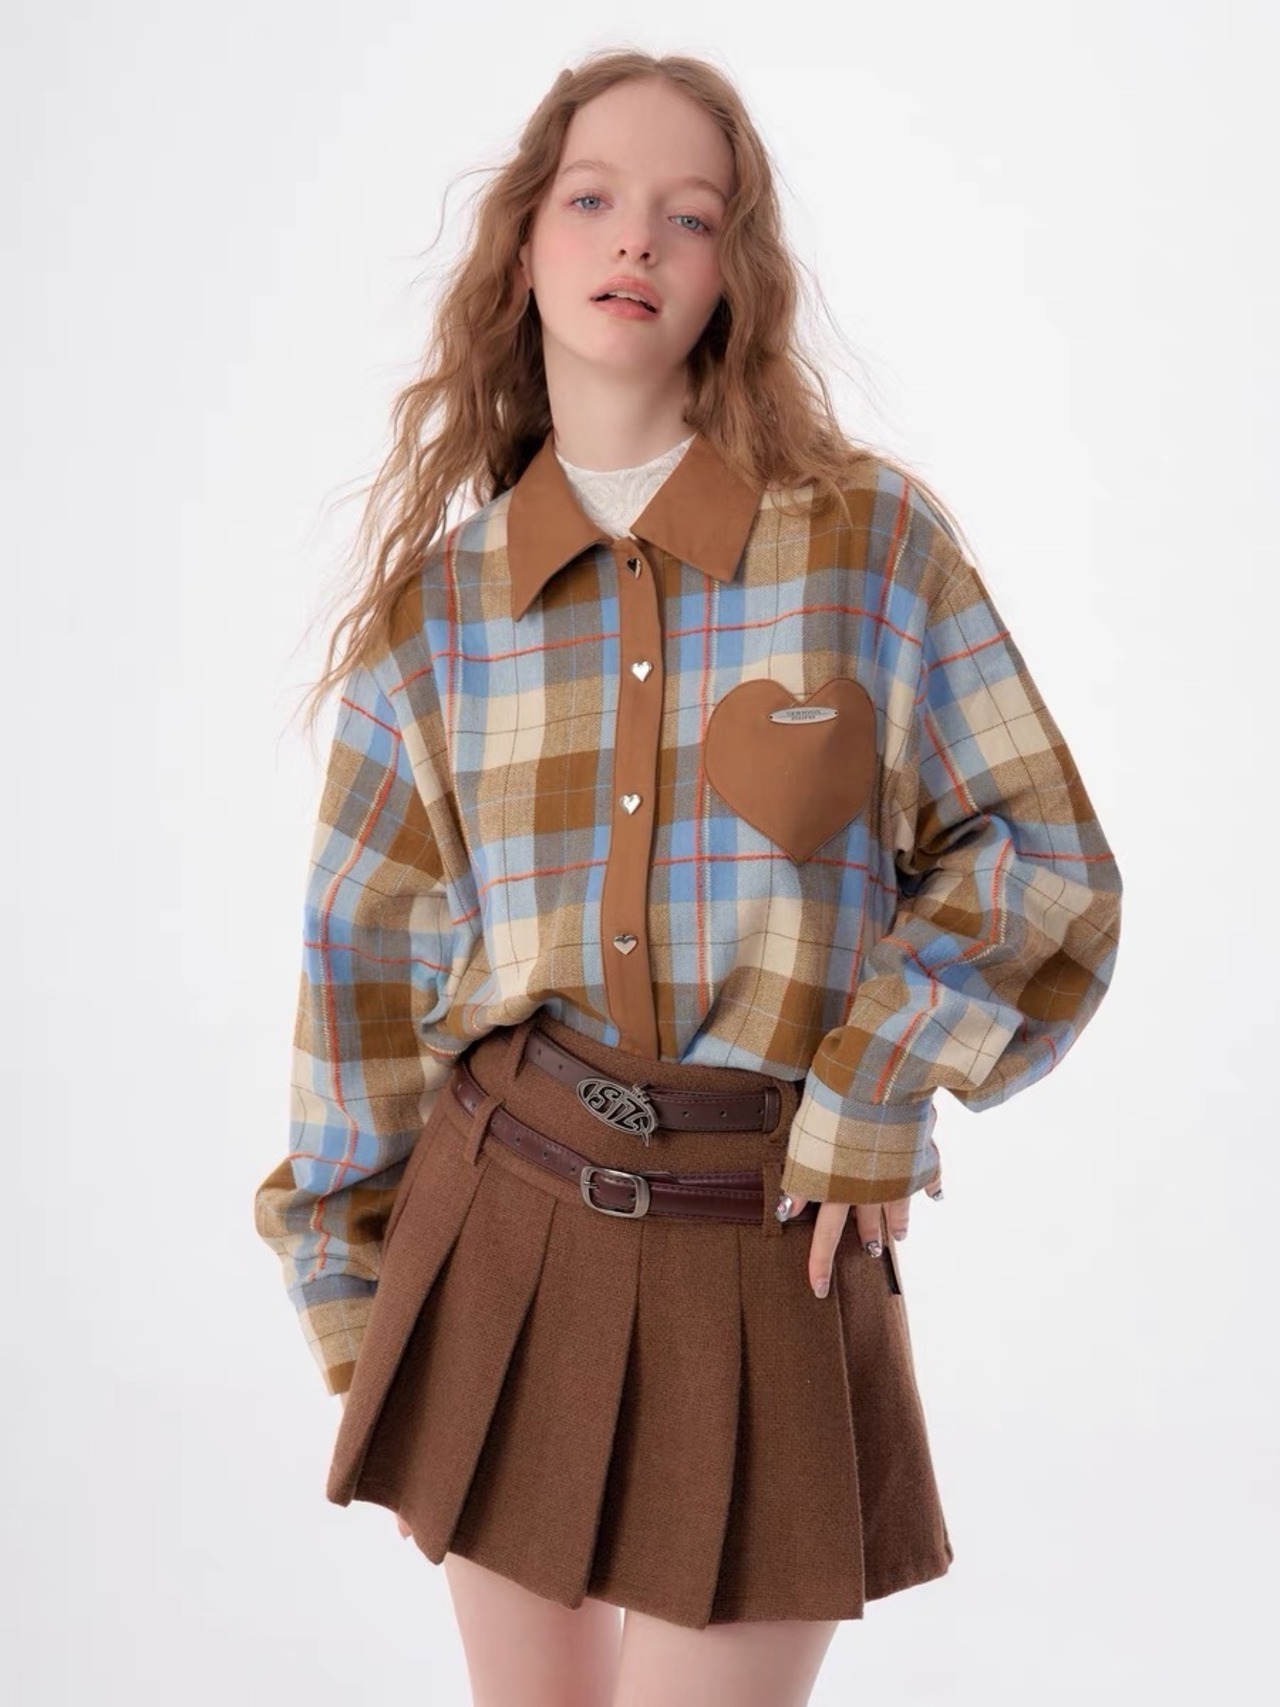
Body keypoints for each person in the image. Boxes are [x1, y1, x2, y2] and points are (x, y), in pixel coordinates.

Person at [253, 46, 1123, 1707]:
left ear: (735, 272)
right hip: (497, 1236)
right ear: (524, 245)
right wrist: (360, 1309)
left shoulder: (869, 546)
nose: (635, 240)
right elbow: (360, 971)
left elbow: (1041, 861)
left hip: (768, 1241)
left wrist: (872, 1086)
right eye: (592, 199)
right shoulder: (438, 623)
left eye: (690, 213)